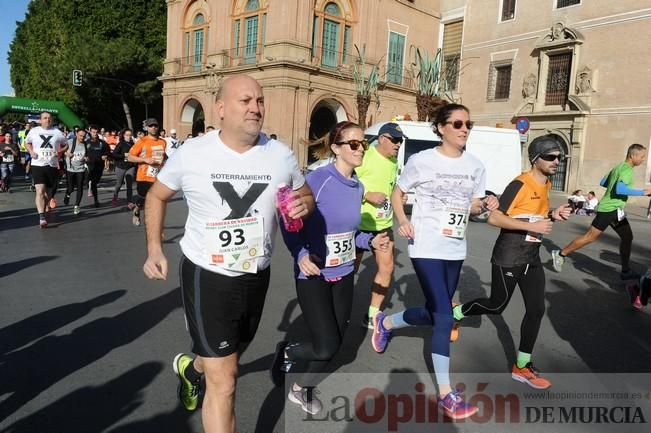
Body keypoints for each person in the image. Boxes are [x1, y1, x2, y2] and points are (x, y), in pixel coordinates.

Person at [141, 74, 314, 433]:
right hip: (207, 274)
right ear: (220, 109)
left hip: (256, 274)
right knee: (226, 381)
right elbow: (156, 195)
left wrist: (303, 206)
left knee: (228, 355)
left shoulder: (280, 154)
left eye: (260, 101)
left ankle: (191, 368)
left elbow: (306, 195)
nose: (256, 108)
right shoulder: (193, 153)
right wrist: (154, 248)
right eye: (245, 100)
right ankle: (204, 371)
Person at [370, 104, 498, 419]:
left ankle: (386, 323)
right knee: (443, 316)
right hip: (425, 245)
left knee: (432, 312)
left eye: (469, 123)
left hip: (455, 248)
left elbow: (472, 206)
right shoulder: (421, 161)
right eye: (457, 123)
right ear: (440, 127)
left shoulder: (476, 166)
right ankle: (446, 395)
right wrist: (402, 221)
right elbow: (398, 193)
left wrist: (485, 204)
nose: (464, 128)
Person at [270, 121, 389, 414]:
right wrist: (300, 255)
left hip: (345, 273)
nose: (361, 149)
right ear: (336, 148)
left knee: (335, 344)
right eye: (353, 144)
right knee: (326, 345)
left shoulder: (357, 186)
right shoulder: (317, 180)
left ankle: (301, 390)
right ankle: (288, 351)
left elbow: (349, 235)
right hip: (314, 274)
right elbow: (289, 221)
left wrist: (371, 241)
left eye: (364, 143)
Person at [449, 135, 572, 391]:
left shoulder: (546, 184)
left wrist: (553, 215)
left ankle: (522, 366)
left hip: (531, 256)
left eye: (559, 157)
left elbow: (534, 215)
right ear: (536, 158)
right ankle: (456, 313)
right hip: (509, 256)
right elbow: (494, 218)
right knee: (496, 305)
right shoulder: (520, 184)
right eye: (550, 156)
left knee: (536, 310)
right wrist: (532, 225)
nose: (556, 161)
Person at [552, 144, 651, 280]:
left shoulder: (618, 167)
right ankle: (560, 253)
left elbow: (603, 182)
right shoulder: (627, 170)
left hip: (616, 211)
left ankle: (625, 271)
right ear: (633, 155)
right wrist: (643, 192)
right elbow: (620, 190)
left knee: (627, 238)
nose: (643, 160)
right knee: (590, 237)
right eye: (642, 157)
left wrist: (613, 183)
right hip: (608, 210)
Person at [354, 122, 404, 328]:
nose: (398, 145)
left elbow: (390, 188)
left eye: (400, 141)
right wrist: (366, 195)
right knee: (351, 269)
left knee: (387, 267)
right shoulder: (364, 156)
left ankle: (372, 314)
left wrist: (399, 197)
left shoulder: (393, 162)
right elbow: (346, 181)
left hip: (382, 225)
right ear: (382, 138)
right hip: (359, 224)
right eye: (394, 140)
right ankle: (338, 305)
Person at [25, 112, 67, 227]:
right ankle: (41, 217)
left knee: (48, 193)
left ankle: (45, 206)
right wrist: (31, 152)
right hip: (37, 164)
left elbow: (66, 145)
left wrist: (59, 152)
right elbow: (27, 143)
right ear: (40, 120)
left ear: (51, 120)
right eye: (45, 118)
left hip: (52, 165)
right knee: (40, 191)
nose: (47, 120)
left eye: (49, 118)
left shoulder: (57, 132)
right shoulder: (34, 131)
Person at [127, 119, 167, 226]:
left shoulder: (163, 142)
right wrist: (145, 160)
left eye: (155, 125)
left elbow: (163, 156)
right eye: (151, 126)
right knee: (142, 199)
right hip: (144, 176)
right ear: (147, 128)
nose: (153, 127)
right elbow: (130, 157)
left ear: (158, 127)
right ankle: (137, 208)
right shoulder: (142, 141)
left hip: (157, 177)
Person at [63, 128, 89, 215]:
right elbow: (62, 150)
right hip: (70, 168)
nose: (82, 138)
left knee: (80, 187)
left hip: (80, 169)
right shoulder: (70, 142)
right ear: (76, 134)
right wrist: (67, 153)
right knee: (70, 188)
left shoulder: (85, 144)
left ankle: (77, 206)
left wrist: (87, 158)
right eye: (80, 135)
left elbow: (88, 155)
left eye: (84, 136)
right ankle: (68, 194)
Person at [85, 125, 110, 208]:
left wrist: (105, 155)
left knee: (96, 181)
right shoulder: (86, 142)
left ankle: (90, 184)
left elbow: (108, 151)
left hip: (99, 165)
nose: (95, 134)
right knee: (93, 182)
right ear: (90, 132)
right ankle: (96, 200)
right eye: (93, 132)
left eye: (96, 132)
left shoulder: (102, 143)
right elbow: (82, 151)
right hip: (90, 165)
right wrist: (85, 157)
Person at [111, 128, 136, 207]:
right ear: (123, 136)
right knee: (119, 183)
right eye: (127, 135)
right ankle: (115, 195)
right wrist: (123, 155)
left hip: (130, 166)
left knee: (129, 184)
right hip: (121, 166)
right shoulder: (121, 143)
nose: (128, 137)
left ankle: (129, 201)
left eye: (130, 135)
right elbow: (114, 154)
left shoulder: (133, 144)